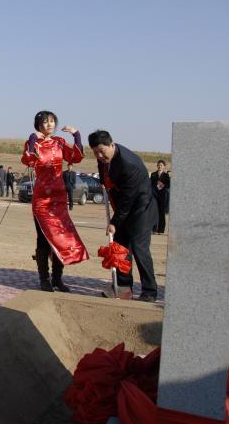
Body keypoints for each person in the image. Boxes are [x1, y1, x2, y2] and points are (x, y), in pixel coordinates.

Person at [22, 111, 88, 292]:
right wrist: (33, 139)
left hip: (58, 197)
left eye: (52, 121)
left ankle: (57, 278)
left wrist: (76, 135)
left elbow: (75, 157)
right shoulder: (33, 142)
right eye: (45, 122)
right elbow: (28, 159)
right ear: (38, 125)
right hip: (42, 198)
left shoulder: (59, 142)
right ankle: (44, 278)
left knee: (61, 237)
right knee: (43, 239)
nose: (49, 124)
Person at [89, 130, 159, 302]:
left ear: (112, 145)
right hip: (125, 208)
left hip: (141, 209)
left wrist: (114, 222)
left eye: (102, 151)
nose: (99, 156)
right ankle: (123, 287)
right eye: (95, 152)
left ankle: (149, 291)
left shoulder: (129, 165)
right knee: (120, 248)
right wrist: (104, 183)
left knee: (139, 248)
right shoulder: (104, 159)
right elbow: (105, 174)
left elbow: (128, 199)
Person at [150, 159, 170, 234]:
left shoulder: (166, 175)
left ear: (164, 166)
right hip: (154, 196)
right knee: (154, 213)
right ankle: (154, 229)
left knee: (161, 213)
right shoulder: (153, 174)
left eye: (161, 165)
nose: (159, 166)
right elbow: (150, 184)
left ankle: (161, 230)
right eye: (158, 165)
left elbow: (168, 185)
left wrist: (159, 186)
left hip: (162, 196)